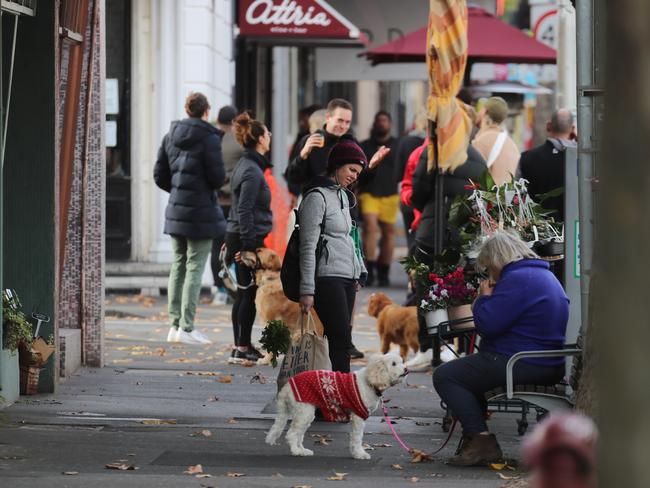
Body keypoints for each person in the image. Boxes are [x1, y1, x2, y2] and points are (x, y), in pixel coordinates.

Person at [433, 231, 569, 466]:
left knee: (445, 376)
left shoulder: (518, 278)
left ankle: (481, 441)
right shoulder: (538, 275)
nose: (490, 274)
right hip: (542, 361)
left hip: (523, 362)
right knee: (468, 376)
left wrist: (483, 298)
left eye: (489, 268)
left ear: (497, 260)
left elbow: (488, 326)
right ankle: (475, 439)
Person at [154, 92, 225, 345]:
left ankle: (174, 326)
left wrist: (178, 192)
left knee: (178, 265)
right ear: (206, 111)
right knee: (195, 266)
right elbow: (217, 178)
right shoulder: (209, 138)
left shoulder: (169, 136)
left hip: (176, 211)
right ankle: (187, 326)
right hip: (202, 212)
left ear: (186, 109)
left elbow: (159, 174)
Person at [408, 142, 487, 369]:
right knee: (461, 290)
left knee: (427, 287)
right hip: (463, 233)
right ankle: (463, 350)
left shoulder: (433, 150)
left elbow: (418, 192)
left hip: (432, 232)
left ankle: (430, 348)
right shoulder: (477, 156)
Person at [298, 138, 368, 373]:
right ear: (337, 165)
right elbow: (307, 245)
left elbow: (351, 238)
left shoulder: (344, 197)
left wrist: (359, 271)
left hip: (348, 278)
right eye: (351, 169)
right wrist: (307, 290)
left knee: (339, 340)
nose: (354, 176)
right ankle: (339, 399)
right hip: (327, 278)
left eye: (358, 172)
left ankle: (328, 403)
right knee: (340, 341)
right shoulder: (316, 197)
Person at [226, 112, 273, 364]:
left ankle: (240, 345)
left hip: (241, 234)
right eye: (267, 133)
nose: (270, 137)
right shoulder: (251, 170)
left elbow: (238, 208)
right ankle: (242, 347)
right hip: (247, 238)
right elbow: (243, 209)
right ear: (258, 138)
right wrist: (247, 246)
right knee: (248, 293)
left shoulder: (247, 165)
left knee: (244, 293)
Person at [286, 98, 389, 194]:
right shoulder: (310, 141)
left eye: (347, 122)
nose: (343, 126)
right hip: (316, 205)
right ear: (328, 118)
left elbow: (360, 181)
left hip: (344, 206)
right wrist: (303, 155)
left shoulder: (352, 144)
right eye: (340, 120)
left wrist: (372, 167)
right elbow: (292, 179)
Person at [358, 111, 400, 287]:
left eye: (385, 120)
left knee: (389, 233)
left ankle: (384, 271)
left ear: (390, 124)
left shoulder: (397, 145)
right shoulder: (365, 145)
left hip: (390, 194)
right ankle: (370, 269)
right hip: (369, 193)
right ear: (374, 124)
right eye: (379, 121)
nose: (382, 124)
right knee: (370, 228)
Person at [210, 105, 244, 305]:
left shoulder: (210, 139)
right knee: (232, 244)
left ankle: (219, 287)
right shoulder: (238, 141)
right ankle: (233, 286)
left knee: (215, 247)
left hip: (214, 201)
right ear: (234, 121)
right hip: (233, 202)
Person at [520, 108, 577, 220]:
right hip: (576, 229)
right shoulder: (583, 160)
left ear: (548, 126)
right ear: (572, 129)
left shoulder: (527, 157)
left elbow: (519, 193)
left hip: (538, 229)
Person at [394, 110, 428, 251]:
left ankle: (413, 271)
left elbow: (397, 174)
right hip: (429, 199)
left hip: (409, 196)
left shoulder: (405, 142)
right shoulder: (439, 146)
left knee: (411, 240)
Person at [471, 96, 520, 185]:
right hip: (506, 197)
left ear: (485, 111)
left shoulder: (480, 142)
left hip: (487, 197)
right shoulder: (512, 144)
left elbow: (472, 176)